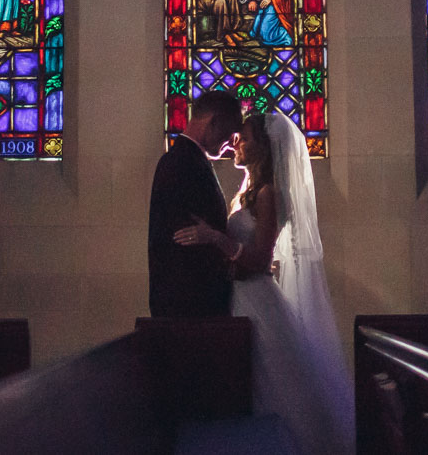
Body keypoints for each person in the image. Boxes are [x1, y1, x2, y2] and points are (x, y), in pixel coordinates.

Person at [175, 112, 354, 453]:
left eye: (243, 136)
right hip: (242, 299)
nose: (234, 143)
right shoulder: (250, 190)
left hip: (257, 303)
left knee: (270, 393)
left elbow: (259, 259)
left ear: (264, 146)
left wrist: (214, 238)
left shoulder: (268, 192)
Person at [147, 90, 241, 318]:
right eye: (229, 134)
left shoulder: (192, 160)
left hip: (197, 303)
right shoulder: (179, 163)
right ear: (212, 122)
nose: (230, 144)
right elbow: (183, 236)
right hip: (188, 304)